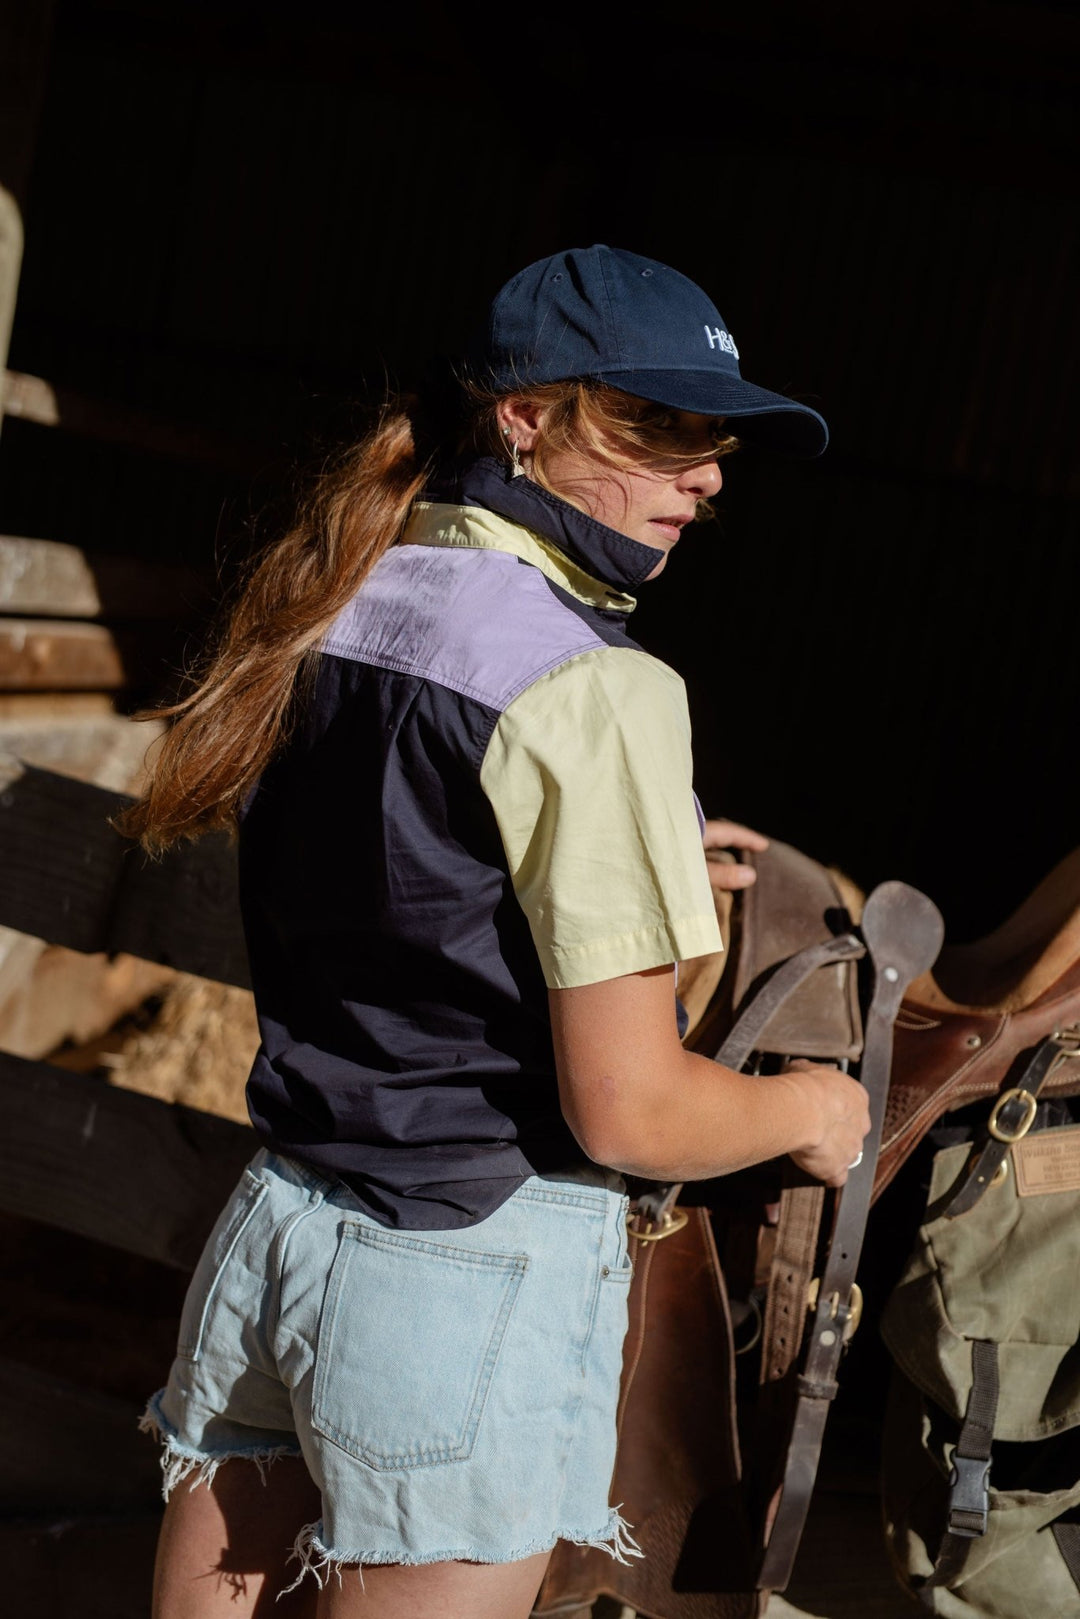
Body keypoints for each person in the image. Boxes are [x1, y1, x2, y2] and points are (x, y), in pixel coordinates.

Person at [127, 244, 870, 1619]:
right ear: (522, 416)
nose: (703, 472)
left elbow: (403, 859)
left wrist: (625, 843)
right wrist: (809, 1115)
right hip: (457, 1280)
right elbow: (630, 1112)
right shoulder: (599, 693)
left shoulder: (339, 597)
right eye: (658, 429)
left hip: (282, 1224)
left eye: (715, 438)